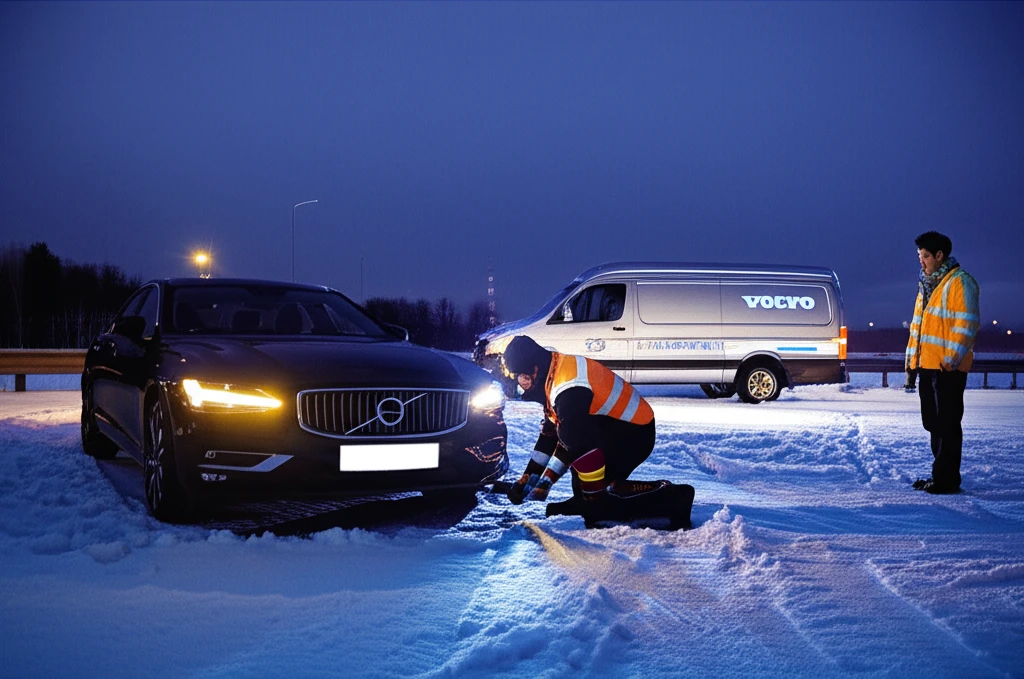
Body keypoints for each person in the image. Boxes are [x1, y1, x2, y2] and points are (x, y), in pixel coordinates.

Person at [501, 335, 693, 528]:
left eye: (522, 378)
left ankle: (674, 498)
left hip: (633, 434)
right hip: (615, 427)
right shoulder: (553, 372)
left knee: (594, 497)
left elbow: (572, 442)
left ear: (535, 370)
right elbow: (549, 437)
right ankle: (590, 499)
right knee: (577, 457)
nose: (520, 385)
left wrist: (550, 487)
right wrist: (526, 482)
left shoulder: (569, 387)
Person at [906, 231, 980, 494]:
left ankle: (947, 479)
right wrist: (912, 360)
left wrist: (952, 359)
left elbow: (967, 323)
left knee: (947, 425)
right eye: (919, 256)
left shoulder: (960, 282)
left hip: (947, 369)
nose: (921, 261)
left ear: (940, 255)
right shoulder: (927, 285)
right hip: (928, 365)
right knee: (933, 423)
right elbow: (919, 327)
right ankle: (939, 474)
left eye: (925, 255)